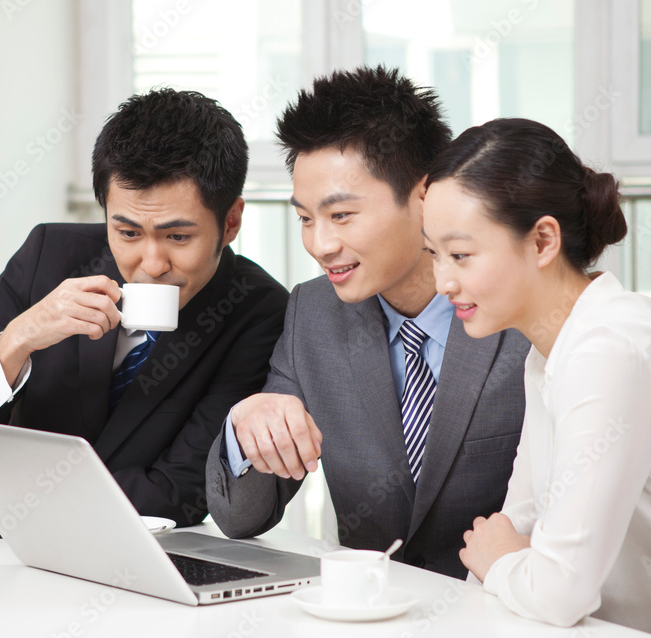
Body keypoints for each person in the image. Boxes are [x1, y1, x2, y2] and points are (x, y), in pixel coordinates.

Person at [422, 117, 651, 637]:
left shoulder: (610, 351)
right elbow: (515, 523)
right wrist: (505, 559)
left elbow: (556, 589)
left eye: (460, 255)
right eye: (432, 254)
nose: (443, 282)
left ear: (543, 240)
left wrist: (502, 561)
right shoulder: (550, 349)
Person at [0, 89, 289, 545]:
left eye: (178, 237)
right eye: (127, 232)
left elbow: (176, 492)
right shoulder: (49, 256)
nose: (151, 262)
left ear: (231, 223)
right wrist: (16, 341)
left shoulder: (257, 311)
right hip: (2, 567)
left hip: (129, 569)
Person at [205, 66, 530, 579]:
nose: (319, 245)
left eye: (341, 216)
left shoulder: (521, 312)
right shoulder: (313, 313)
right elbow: (243, 517)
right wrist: (247, 429)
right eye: (306, 219)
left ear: (425, 196)